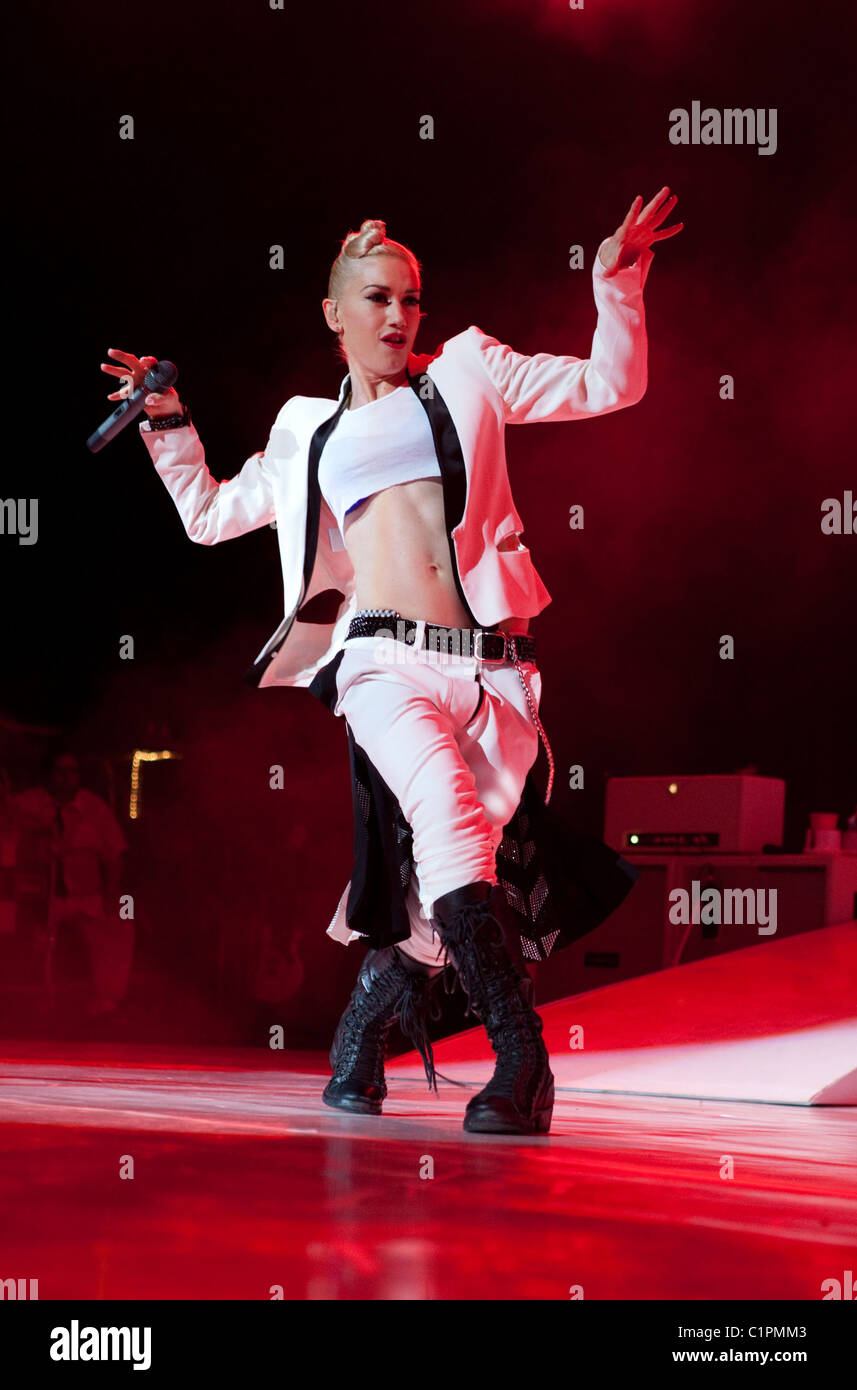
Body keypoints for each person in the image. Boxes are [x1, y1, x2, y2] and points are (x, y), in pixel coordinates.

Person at [103, 189, 682, 1133]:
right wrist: (167, 422)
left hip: (498, 670)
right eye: (375, 299)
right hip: (378, 662)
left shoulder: (471, 372)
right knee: (452, 833)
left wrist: (614, 281)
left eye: (410, 300)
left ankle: (360, 1037)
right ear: (333, 313)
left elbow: (610, 386)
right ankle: (522, 1066)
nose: (398, 317)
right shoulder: (304, 430)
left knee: (434, 904)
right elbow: (208, 517)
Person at [14, 752, 131, 1016]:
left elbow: (115, 855)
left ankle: (107, 1000)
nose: (65, 777)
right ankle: (37, 1001)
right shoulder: (29, 803)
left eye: (72, 772)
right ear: (49, 774)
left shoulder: (96, 810)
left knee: (126, 919)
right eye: (59, 770)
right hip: (41, 899)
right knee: (30, 937)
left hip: (88, 898)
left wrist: (114, 896)